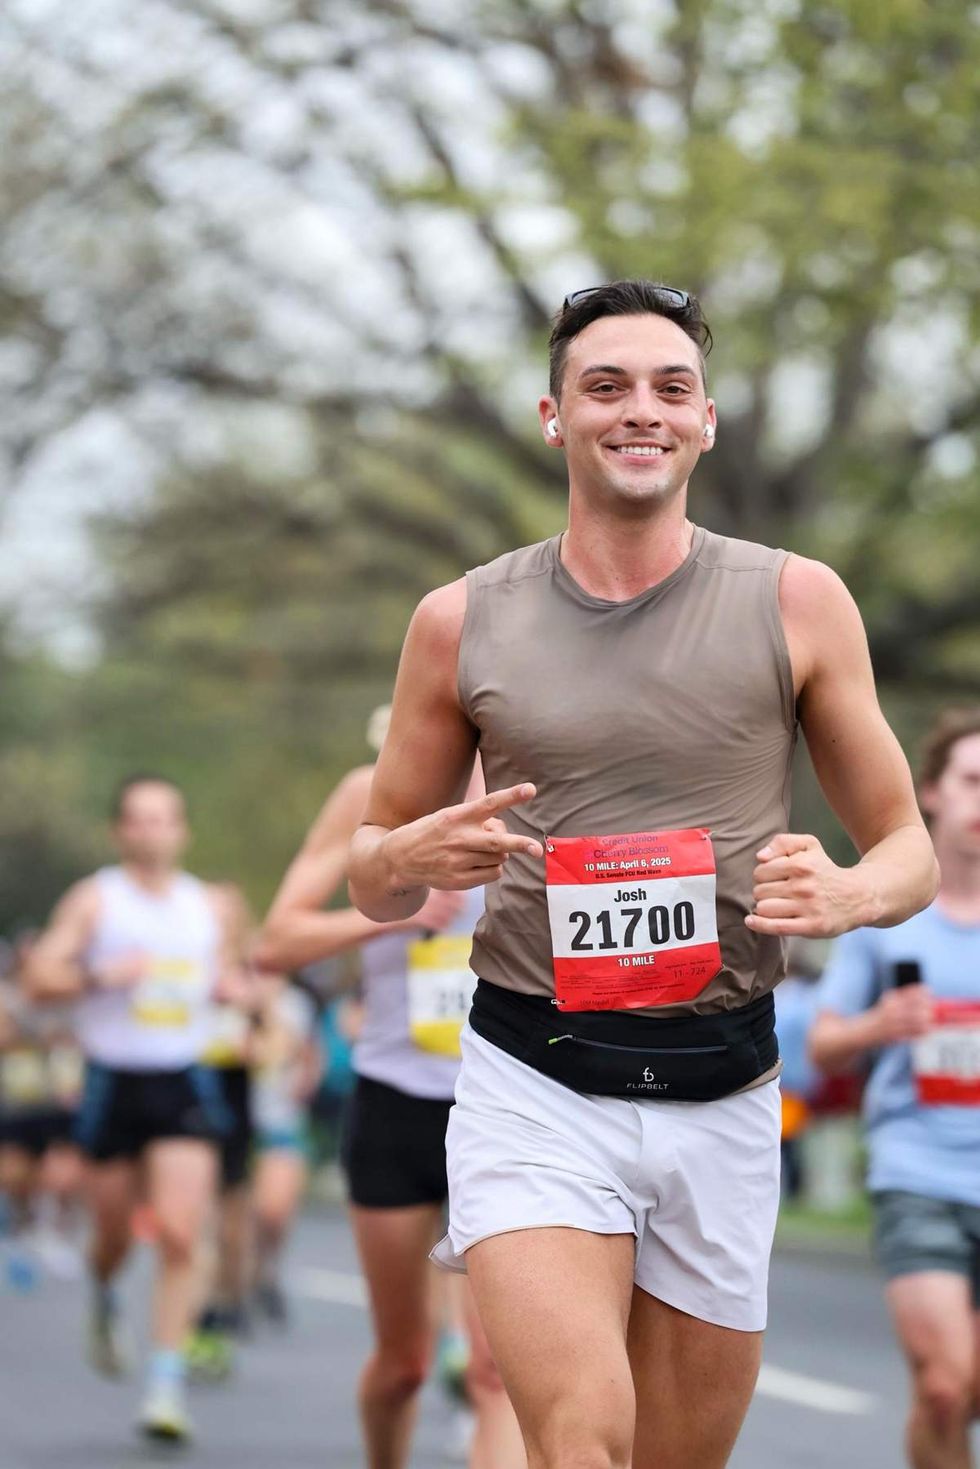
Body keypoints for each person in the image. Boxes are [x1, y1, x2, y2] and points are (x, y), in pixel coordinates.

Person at [347, 279, 939, 1469]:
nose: (640, 410)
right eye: (605, 386)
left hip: (724, 1083)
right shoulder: (458, 618)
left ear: (703, 422)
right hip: (535, 1076)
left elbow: (907, 850)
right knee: (578, 1438)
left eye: (671, 388)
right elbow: (372, 872)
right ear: (553, 416)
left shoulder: (796, 599)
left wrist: (848, 893)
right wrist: (403, 854)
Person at [256, 713, 525, 1469]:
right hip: (395, 1100)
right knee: (404, 1365)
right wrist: (384, 917)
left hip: (510, 1101)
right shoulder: (364, 796)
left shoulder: (541, 786)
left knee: (496, 1370)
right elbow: (276, 942)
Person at [26, 775, 235, 1444]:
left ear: (183, 830)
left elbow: (239, 975)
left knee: (179, 1232)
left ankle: (165, 1385)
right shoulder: (96, 899)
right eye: (139, 819)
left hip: (183, 1079)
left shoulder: (209, 905)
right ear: (120, 831)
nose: (152, 830)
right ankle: (105, 1286)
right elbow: (38, 975)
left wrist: (236, 989)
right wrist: (100, 975)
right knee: (112, 1235)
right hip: (112, 1080)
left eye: (163, 818)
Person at [810, 708, 980, 1469]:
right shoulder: (890, 915)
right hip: (919, 1171)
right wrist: (880, 1024)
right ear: (933, 792)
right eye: (972, 780)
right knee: (944, 1387)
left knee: (966, 1388)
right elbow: (822, 1046)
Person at [249, 972, 322, 1325]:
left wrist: (306, 1082)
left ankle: (267, 1268)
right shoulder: (231, 995)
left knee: (273, 1211)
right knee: (236, 1213)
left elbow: (310, 1053)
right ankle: (234, 1282)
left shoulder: (295, 1005)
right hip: (237, 1121)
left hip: (282, 1121)